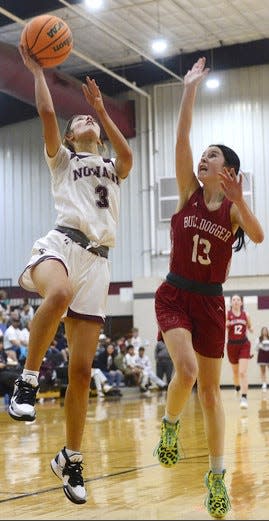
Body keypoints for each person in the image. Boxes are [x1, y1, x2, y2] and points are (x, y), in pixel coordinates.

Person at [8, 43, 132, 505]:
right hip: (61, 245)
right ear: (69, 132)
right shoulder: (62, 160)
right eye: (79, 118)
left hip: (98, 263)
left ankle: (71, 459)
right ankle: (27, 379)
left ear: (98, 135)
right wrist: (36, 70)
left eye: (91, 123)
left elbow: (129, 159)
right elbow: (45, 111)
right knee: (56, 293)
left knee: (81, 372)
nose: (86, 121)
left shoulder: (111, 167)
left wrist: (102, 109)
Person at [153, 57, 264, 519]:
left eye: (212, 155)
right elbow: (181, 139)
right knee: (186, 371)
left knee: (212, 395)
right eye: (204, 155)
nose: (203, 158)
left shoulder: (233, 209)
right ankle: (170, 426)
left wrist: (243, 202)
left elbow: (258, 236)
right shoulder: (186, 192)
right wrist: (189, 89)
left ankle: (216, 479)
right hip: (175, 293)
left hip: (212, 302)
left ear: (229, 170)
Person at [226, 294, 253, 409]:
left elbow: (250, 327)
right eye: (234, 300)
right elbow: (222, 328)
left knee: (242, 372)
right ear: (231, 303)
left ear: (241, 303)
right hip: (232, 345)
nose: (236, 301)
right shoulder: (227, 315)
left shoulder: (246, 315)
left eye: (238, 300)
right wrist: (226, 325)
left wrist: (251, 329)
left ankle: (244, 397)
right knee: (236, 373)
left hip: (244, 344)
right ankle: (237, 387)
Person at [255, 326, 269, 392]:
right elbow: (256, 348)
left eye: (266, 330)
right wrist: (260, 346)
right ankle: (264, 384)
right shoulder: (259, 339)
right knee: (263, 371)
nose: (264, 332)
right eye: (263, 330)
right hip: (262, 355)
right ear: (261, 331)